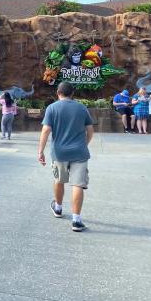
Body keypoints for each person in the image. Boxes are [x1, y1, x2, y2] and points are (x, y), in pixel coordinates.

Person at [38, 81, 94, 232]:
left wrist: (40, 151)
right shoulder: (82, 108)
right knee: (78, 185)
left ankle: (58, 208)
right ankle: (76, 220)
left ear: (58, 92)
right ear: (73, 93)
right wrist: (84, 144)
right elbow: (90, 131)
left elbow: (45, 131)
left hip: (59, 152)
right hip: (80, 153)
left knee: (59, 180)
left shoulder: (52, 108)